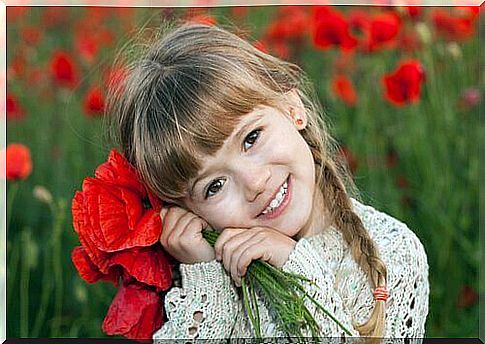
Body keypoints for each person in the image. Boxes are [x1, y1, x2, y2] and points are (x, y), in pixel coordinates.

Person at [107, 22, 429, 342]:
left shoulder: (391, 253)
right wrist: (206, 278)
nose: (255, 183)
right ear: (189, 212)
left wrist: (297, 266)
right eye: (214, 186)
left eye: (251, 138)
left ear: (292, 108)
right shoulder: (203, 289)